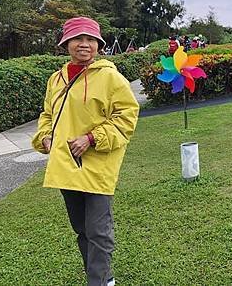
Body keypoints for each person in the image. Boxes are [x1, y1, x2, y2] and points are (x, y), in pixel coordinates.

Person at [32, 17, 139, 286]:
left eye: (91, 39)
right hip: (65, 165)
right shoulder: (55, 79)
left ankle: (99, 282)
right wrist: (46, 137)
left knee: (98, 230)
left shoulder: (110, 77)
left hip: (97, 165)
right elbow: (47, 114)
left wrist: (92, 138)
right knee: (81, 229)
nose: (84, 44)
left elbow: (126, 116)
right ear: (66, 43)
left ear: (99, 45)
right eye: (78, 38)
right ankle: (104, 278)